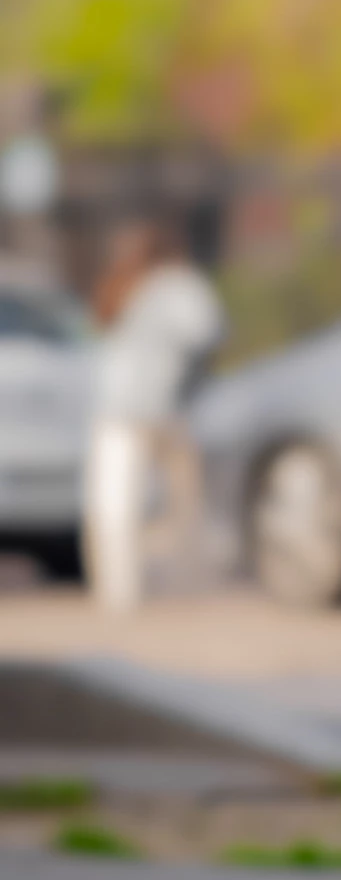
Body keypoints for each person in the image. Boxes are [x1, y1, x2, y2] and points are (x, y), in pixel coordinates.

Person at [84, 222, 225, 612]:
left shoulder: (120, 285)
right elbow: (208, 331)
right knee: (184, 504)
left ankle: (118, 592)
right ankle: (188, 585)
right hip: (167, 406)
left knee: (115, 504)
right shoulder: (179, 284)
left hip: (115, 407)